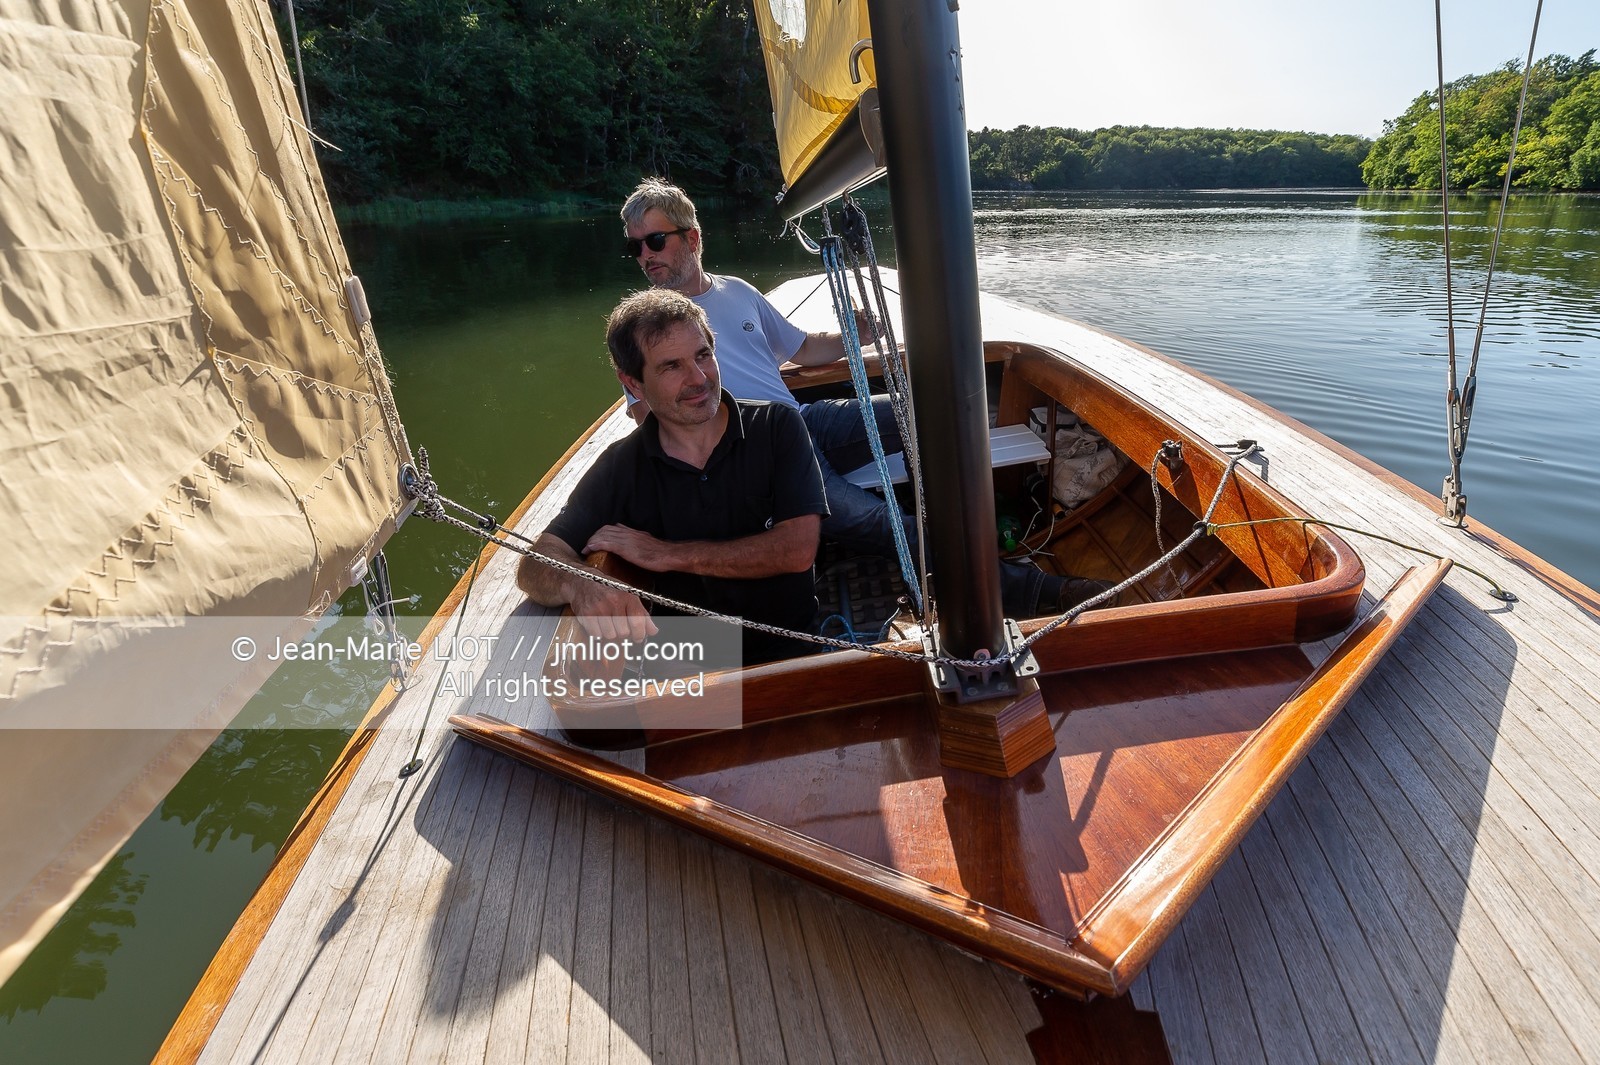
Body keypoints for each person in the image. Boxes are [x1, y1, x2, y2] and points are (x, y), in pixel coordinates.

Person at [618, 177, 1111, 617]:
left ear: (693, 238)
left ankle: (967, 524)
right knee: (888, 524)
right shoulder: (644, 333)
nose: (645, 256)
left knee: (926, 412)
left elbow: (802, 349)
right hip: (764, 456)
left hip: (804, 421)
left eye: (655, 241)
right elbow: (651, 424)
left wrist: (855, 334)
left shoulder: (738, 292)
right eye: (635, 247)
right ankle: (1034, 590)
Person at [518, 289, 826, 666]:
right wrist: (580, 583)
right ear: (633, 383)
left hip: (794, 658)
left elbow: (797, 550)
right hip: (688, 675)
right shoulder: (621, 466)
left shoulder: (777, 426)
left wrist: (664, 554)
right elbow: (536, 562)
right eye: (671, 367)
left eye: (703, 355)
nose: (698, 378)